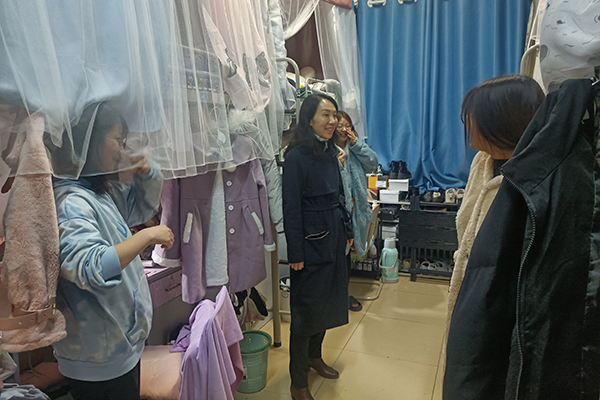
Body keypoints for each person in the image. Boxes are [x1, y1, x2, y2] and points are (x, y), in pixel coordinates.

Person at [52, 103, 174, 400]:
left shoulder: (94, 192)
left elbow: (138, 208)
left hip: (116, 352)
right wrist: (146, 235)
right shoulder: (71, 202)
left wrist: (147, 173)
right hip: (99, 359)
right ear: (91, 141)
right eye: (118, 140)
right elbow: (91, 266)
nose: (121, 149)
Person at [444, 75, 545, 348]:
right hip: (472, 286)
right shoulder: (483, 161)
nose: (466, 124)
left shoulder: (533, 180)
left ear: (500, 121)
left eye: (473, 117)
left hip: (505, 306)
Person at [282, 94, 353, 400]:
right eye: (326, 115)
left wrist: (347, 230)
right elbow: (290, 207)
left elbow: (340, 194)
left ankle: (315, 357)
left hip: (334, 237)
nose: (332, 121)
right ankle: (298, 382)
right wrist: (295, 252)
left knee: (325, 304)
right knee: (305, 311)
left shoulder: (329, 150)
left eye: (334, 115)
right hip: (310, 243)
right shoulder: (296, 156)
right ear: (309, 119)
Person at [333, 110, 378, 312]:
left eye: (348, 125)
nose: (344, 129)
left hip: (355, 209)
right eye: (340, 126)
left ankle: (343, 294)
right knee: (337, 256)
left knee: (347, 257)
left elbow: (373, 163)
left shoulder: (354, 148)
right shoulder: (329, 151)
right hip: (338, 211)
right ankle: (336, 297)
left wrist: (357, 144)